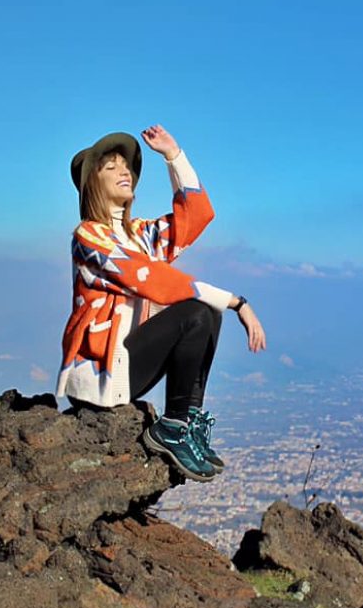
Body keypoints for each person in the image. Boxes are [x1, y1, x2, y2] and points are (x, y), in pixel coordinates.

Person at [56, 124, 266, 482]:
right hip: (102, 376)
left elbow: (195, 218)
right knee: (197, 310)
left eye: (127, 166)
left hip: (126, 367)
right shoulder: (89, 236)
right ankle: (172, 425)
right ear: (93, 183)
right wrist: (236, 302)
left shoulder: (136, 235)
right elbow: (151, 280)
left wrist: (174, 156)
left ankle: (187, 423)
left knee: (206, 312)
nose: (124, 171)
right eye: (111, 167)